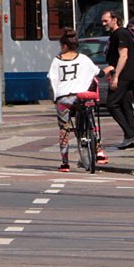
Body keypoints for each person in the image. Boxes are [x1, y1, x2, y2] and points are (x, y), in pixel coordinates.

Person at [47, 29, 108, 172]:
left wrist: (56, 97)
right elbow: (99, 73)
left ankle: (65, 163)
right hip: (81, 96)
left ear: (64, 45)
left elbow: (52, 78)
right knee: (91, 117)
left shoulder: (57, 60)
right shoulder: (84, 59)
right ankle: (99, 150)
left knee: (64, 129)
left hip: (63, 99)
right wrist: (110, 68)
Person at [101, 11, 134, 149]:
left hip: (124, 75)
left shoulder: (121, 33)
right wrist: (108, 70)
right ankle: (130, 138)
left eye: (106, 20)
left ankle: (130, 134)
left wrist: (116, 76)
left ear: (115, 20)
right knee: (125, 105)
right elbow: (115, 58)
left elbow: (123, 56)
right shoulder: (116, 34)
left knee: (111, 104)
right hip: (127, 74)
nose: (103, 24)